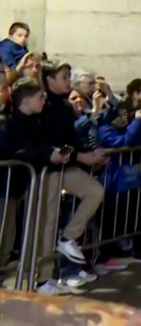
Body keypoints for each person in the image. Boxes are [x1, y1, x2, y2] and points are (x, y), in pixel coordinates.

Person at [13, 71, 107, 295]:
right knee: (46, 222)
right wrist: (70, 155)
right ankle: (43, 279)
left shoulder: (63, 107)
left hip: (63, 163)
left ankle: (68, 238)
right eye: (64, 77)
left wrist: (86, 153)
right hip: (46, 169)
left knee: (94, 191)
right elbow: (39, 142)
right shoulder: (39, 111)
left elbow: (68, 140)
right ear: (50, 81)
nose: (68, 81)